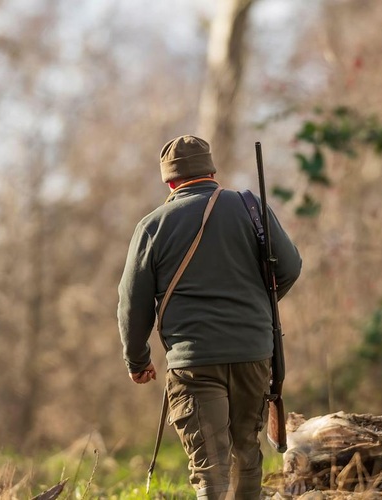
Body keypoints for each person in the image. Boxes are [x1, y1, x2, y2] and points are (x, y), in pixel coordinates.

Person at [117, 135, 302, 499]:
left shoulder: (152, 226)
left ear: (170, 182)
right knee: (247, 456)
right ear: (212, 171)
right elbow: (292, 267)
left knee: (210, 470)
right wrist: (260, 310)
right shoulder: (252, 209)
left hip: (194, 361)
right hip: (253, 352)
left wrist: (138, 360)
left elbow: (131, 302)